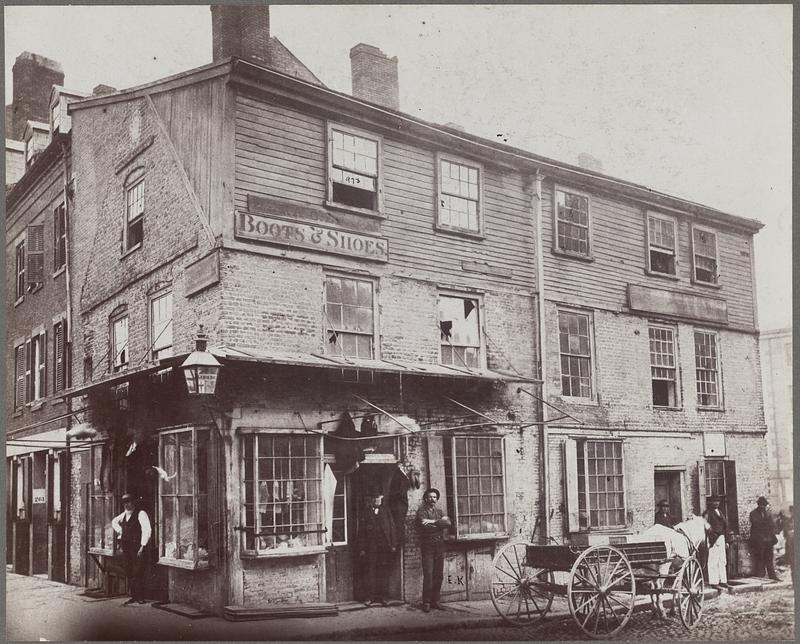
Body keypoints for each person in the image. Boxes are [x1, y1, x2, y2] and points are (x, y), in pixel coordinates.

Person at [357, 490, 398, 607]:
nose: (376, 500)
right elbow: (361, 531)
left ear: (382, 498)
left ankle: (383, 597)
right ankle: (369, 597)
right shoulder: (366, 512)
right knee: (370, 571)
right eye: (374, 498)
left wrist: (393, 544)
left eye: (379, 498)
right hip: (370, 547)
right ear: (371, 499)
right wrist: (362, 548)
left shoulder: (386, 511)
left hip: (384, 547)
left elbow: (392, 528)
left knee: (383, 571)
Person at [111, 492, 152, 605]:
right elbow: (114, 522)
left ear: (133, 502)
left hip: (137, 547)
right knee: (130, 570)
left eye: (128, 502)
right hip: (127, 547)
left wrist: (142, 546)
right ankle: (134, 596)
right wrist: (120, 531)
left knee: (138, 570)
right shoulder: (124, 515)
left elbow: (146, 530)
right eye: (124, 503)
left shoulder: (141, 513)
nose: (126, 505)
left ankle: (140, 596)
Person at [416, 488, 451, 612]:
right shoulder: (421, 512)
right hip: (428, 546)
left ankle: (436, 601)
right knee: (429, 574)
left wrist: (432, 521)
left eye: (435, 497)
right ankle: (426, 602)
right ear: (426, 498)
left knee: (439, 575)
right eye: (430, 497)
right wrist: (439, 523)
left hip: (439, 546)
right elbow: (425, 527)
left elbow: (448, 523)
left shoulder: (440, 511)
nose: (433, 499)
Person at [749, 496, 780, 581]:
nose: (763, 507)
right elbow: (757, 524)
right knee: (760, 558)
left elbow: (772, 525)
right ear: (758, 505)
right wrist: (767, 523)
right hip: (759, 541)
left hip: (768, 540)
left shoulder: (767, 513)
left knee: (769, 558)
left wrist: (770, 530)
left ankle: (772, 576)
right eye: (761, 505)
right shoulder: (753, 514)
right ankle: (760, 577)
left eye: (764, 505)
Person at [703, 496, 729, 588]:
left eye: (717, 501)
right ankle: (714, 582)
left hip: (721, 538)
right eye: (714, 501)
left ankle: (723, 580)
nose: (716, 503)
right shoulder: (707, 513)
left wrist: (726, 541)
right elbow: (705, 525)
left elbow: (725, 526)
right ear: (710, 502)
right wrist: (712, 536)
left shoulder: (720, 512)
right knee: (713, 561)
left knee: (722, 560)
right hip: (713, 539)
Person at [777, 505, 794, 585]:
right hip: (791, 545)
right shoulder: (788, 521)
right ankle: (795, 583)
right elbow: (785, 532)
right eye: (792, 511)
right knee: (793, 565)